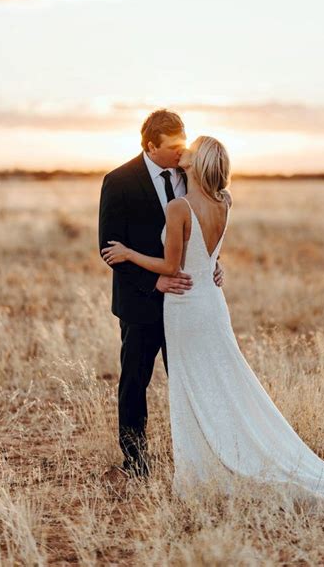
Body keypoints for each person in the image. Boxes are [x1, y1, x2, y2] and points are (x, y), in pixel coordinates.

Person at [102, 135, 324, 523]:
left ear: (197, 163)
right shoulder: (224, 201)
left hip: (185, 308)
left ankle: (205, 471)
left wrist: (130, 254)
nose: (183, 149)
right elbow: (206, 253)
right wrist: (209, 265)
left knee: (195, 386)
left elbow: (172, 268)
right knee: (219, 384)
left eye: (190, 147)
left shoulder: (179, 206)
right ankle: (218, 458)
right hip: (212, 306)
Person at [98, 110, 224, 478]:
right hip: (141, 303)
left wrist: (214, 261)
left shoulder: (190, 175)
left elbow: (202, 227)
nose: (180, 152)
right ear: (151, 146)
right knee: (135, 382)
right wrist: (154, 282)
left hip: (186, 303)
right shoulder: (119, 181)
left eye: (183, 144)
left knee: (191, 379)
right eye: (172, 147)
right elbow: (108, 248)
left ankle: (202, 456)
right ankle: (136, 462)